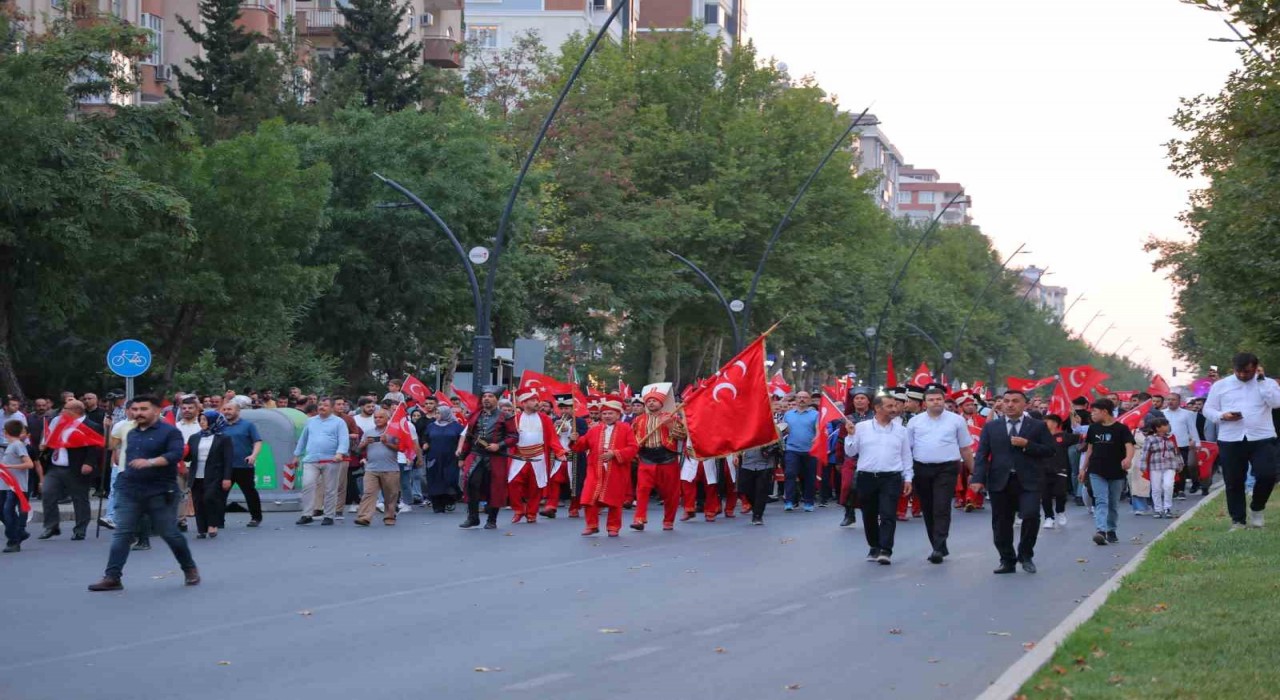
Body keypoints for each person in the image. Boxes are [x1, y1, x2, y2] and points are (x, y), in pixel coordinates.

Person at [88, 395, 197, 592]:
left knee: (169, 533)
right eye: (135, 409)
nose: (138, 413)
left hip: (160, 490)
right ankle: (112, 577)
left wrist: (151, 462)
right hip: (130, 489)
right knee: (122, 533)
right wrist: (107, 429)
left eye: (143, 409)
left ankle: (189, 568)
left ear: (156, 411)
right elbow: (113, 449)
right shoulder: (132, 433)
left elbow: (175, 454)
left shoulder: (170, 432)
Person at [971, 390, 1055, 574]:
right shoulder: (992, 427)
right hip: (1000, 481)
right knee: (1001, 522)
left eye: (1015, 401)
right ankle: (1007, 559)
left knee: (1031, 515)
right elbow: (982, 455)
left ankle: (1025, 555)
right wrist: (977, 478)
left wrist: (1028, 445)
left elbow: (1050, 450)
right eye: (1006, 401)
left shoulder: (1037, 426)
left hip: (1029, 481)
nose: (1010, 404)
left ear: (1025, 404)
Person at [1202, 352, 1280, 529]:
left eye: (1247, 372)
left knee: (1267, 475)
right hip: (1230, 438)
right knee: (1233, 480)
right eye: (1239, 372)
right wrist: (1222, 416)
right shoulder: (1221, 385)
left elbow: (1276, 403)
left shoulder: (1268, 383)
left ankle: (1257, 507)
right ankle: (1238, 520)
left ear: (1256, 368)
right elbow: (1208, 409)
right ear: (1233, 369)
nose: (1243, 375)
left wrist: (1261, 381)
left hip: (1262, 436)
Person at [906, 385, 974, 564]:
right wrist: (906, 474)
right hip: (921, 468)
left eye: (939, 399)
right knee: (928, 508)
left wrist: (975, 472)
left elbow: (965, 448)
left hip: (947, 469)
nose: (935, 402)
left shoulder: (956, 421)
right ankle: (938, 545)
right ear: (924, 403)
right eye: (931, 400)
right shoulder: (914, 422)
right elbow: (907, 449)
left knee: (941, 506)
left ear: (944, 401)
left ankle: (938, 546)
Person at [843, 395, 913, 565]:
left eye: (895, 406)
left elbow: (906, 455)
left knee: (888, 513)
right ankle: (874, 546)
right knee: (869, 514)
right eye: (890, 406)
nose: (894, 409)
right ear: (877, 408)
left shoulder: (901, 430)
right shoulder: (861, 427)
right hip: (867, 477)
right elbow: (851, 452)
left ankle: (885, 550)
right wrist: (850, 436)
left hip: (891, 477)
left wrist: (908, 478)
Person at [571, 397, 638, 537]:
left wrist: (615, 453)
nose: (607, 416)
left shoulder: (626, 428)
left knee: (615, 500)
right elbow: (580, 446)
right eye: (605, 413)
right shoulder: (594, 430)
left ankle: (613, 527)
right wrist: (574, 440)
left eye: (610, 413)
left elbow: (633, 448)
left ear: (618, 415)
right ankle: (591, 525)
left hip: (617, 469)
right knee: (589, 497)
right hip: (595, 469)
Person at [39, 399, 103, 540]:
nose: (62, 411)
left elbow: (95, 447)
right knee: (47, 493)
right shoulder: (61, 424)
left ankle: (80, 529)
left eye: (65, 409)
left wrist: (89, 463)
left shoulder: (91, 426)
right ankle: (51, 526)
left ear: (76, 411)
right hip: (55, 466)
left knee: (79, 498)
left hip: (76, 467)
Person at [457, 387, 516, 530]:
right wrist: (462, 457)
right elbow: (469, 438)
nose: (486, 399)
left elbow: (514, 437)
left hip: (496, 457)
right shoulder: (475, 416)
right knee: (471, 484)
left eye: (490, 396)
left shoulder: (506, 416)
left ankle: (492, 520)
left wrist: (499, 445)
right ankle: (473, 518)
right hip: (476, 455)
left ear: (496, 399)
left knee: (494, 488)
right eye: (484, 396)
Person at [1079, 398, 1136, 546]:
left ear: (1105, 412)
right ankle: (1101, 531)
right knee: (1101, 500)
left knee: (1113, 503)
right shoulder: (1093, 428)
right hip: (1096, 470)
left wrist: (1128, 459)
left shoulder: (1121, 429)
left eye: (1094, 411)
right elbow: (1090, 449)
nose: (1092, 414)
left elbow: (1130, 446)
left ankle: (1111, 530)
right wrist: (1083, 468)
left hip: (1117, 471)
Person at [504, 390, 565, 524]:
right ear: (524, 403)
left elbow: (552, 438)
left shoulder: (545, 419)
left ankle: (532, 513)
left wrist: (559, 452)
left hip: (538, 456)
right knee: (513, 483)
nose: (537, 403)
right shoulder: (515, 419)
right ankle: (518, 510)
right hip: (519, 456)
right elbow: (507, 438)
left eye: (537, 400)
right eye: (532, 400)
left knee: (536, 486)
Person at [629, 387, 685, 531]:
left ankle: (668, 520)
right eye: (649, 401)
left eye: (654, 401)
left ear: (661, 403)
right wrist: (634, 448)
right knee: (642, 489)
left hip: (667, 457)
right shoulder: (639, 420)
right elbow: (632, 437)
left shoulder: (671, 416)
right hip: (646, 457)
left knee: (670, 492)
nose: (651, 403)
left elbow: (682, 436)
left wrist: (670, 424)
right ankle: (639, 519)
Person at [291, 398, 349, 526]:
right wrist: (297, 455)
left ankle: (328, 515)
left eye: (325, 405)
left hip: (331, 460)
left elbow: (344, 439)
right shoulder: (310, 421)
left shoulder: (339, 422)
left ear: (331, 408)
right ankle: (307, 514)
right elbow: (303, 439)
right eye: (320, 405)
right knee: (307, 485)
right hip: (311, 459)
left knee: (330, 489)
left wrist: (340, 453)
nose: (322, 407)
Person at [185, 411, 233, 538]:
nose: (201, 422)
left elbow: (228, 459)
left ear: (213, 421)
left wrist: (227, 477)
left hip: (214, 474)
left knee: (209, 498)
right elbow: (188, 457)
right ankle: (202, 529)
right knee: (198, 502)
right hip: (197, 474)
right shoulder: (194, 437)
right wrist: (183, 451)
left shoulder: (223, 438)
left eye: (204, 420)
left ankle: (212, 524)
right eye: (200, 420)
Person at [220, 401, 264, 527]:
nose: (227, 412)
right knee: (220, 494)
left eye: (230, 409)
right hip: (224, 466)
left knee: (250, 493)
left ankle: (256, 518)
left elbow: (257, 441)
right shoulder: (220, 426)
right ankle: (218, 520)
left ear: (238, 411)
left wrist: (253, 455)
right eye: (225, 409)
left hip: (244, 465)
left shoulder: (248, 425)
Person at [355, 408, 401, 527]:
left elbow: (400, 448)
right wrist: (365, 443)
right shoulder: (368, 432)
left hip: (390, 468)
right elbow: (358, 450)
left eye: (381, 417)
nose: (377, 419)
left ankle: (389, 516)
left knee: (390, 495)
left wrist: (387, 442)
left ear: (387, 418)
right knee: (368, 493)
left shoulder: (393, 431)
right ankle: (364, 517)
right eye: (375, 417)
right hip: (371, 468)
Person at [780, 391, 819, 512]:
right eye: (799, 397)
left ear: (809, 400)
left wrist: (817, 437)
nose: (802, 399)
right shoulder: (788, 414)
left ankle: (808, 502)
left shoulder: (816, 414)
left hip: (810, 450)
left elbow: (818, 429)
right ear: (796, 399)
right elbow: (784, 430)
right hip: (792, 449)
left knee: (809, 477)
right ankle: (789, 501)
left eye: (805, 397)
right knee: (790, 474)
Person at [422, 405, 464, 513]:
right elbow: (425, 438)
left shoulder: (456, 426)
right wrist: (425, 444)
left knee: (450, 479)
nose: (437, 415)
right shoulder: (431, 426)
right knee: (435, 480)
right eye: (436, 413)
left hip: (451, 458)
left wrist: (461, 457)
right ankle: (437, 504)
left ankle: (450, 499)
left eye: (439, 413)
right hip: (434, 458)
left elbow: (463, 441)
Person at [1141, 417, 1183, 519]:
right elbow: (1145, 452)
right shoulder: (1150, 439)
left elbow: (1176, 451)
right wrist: (1143, 465)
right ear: (1158, 428)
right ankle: (1158, 509)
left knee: (1168, 485)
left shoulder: (1171, 437)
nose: (1167, 426)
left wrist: (1180, 463)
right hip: (1155, 465)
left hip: (1170, 465)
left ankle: (1167, 508)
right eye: (1165, 425)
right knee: (1156, 488)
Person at [1040, 415, 1077, 530]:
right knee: (1045, 496)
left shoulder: (1063, 436)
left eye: (1047, 421)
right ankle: (1049, 518)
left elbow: (1081, 437)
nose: (1044, 423)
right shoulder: (1040, 437)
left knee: (1060, 493)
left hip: (1060, 470)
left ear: (1055, 424)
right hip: (1043, 470)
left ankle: (1060, 511)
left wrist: (1075, 421)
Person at [2, 420, 33, 552]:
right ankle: (19, 532)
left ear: (5, 432)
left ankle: (14, 540)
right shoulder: (11, 445)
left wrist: (9, 466)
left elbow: (29, 464)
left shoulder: (17, 445)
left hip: (17, 485)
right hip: (7, 484)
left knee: (8, 511)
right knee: (4, 511)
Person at [1163, 393, 1201, 497]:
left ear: (1179, 401)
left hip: (1182, 444)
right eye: (1168, 399)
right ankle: (1172, 489)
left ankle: (1181, 489)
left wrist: (1197, 442)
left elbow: (1192, 429)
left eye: (1173, 399)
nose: (1170, 401)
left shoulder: (1187, 414)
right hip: (1167, 445)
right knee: (1169, 468)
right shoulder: (1162, 413)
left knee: (1181, 467)